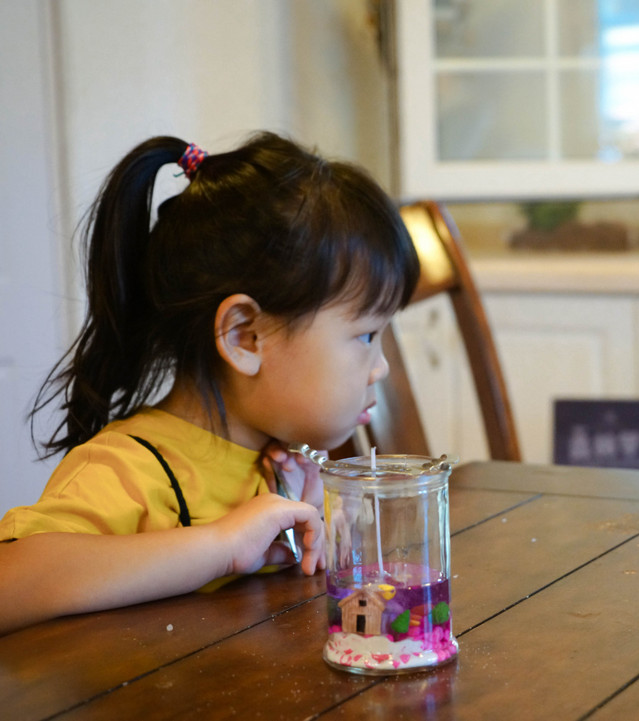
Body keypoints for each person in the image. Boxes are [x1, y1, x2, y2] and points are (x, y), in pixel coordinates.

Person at [0, 132, 420, 635]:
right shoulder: (127, 470)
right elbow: (10, 585)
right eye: (366, 334)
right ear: (246, 336)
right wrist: (220, 547)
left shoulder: (278, 466)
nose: (382, 367)